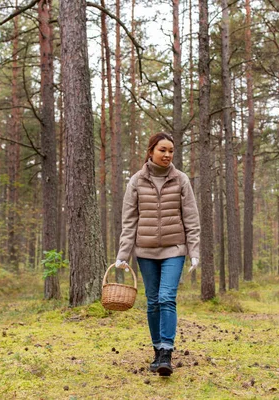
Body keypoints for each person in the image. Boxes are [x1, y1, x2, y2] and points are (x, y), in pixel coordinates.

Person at [115, 132, 200, 377]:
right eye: (163, 150)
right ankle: (156, 350)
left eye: (171, 151)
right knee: (152, 302)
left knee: (166, 298)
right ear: (151, 150)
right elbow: (129, 221)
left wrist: (193, 251)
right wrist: (123, 253)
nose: (167, 155)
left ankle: (166, 352)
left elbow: (191, 219)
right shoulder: (136, 181)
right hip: (145, 251)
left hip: (175, 250)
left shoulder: (181, 180)